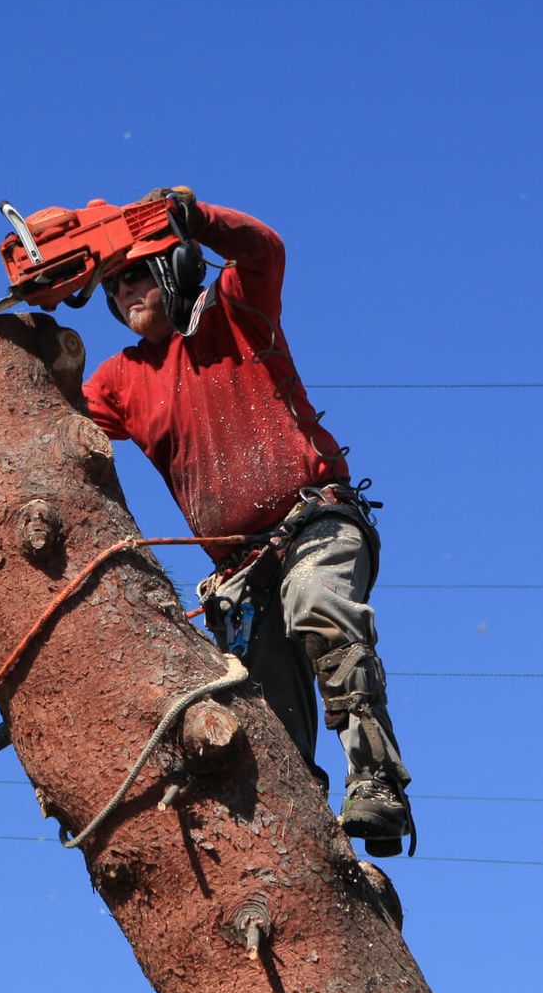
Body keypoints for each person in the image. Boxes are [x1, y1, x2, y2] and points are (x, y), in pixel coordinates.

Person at [80, 187, 415, 856]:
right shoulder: (119, 379)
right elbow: (58, 421)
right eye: (112, 290)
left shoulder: (236, 308)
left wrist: (195, 217)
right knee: (261, 720)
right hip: (239, 571)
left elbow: (265, 247)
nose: (124, 297)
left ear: (175, 266)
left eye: (135, 277)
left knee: (320, 606)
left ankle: (376, 781)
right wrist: (37, 333)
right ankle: (309, 844)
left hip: (311, 522)